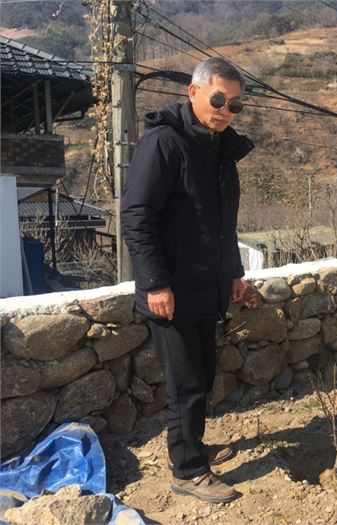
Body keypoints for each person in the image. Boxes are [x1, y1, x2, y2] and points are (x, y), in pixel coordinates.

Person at [121, 57, 254, 503]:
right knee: (185, 384)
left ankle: (193, 447)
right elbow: (137, 216)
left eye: (234, 106)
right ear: (193, 93)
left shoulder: (218, 151)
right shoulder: (163, 144)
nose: (224, 111)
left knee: (204, 374)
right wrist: (155, 283)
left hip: (207, 286)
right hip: (171, 290)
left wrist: (233, 272)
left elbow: (223, 224)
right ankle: (188, 470)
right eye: (218, 100)